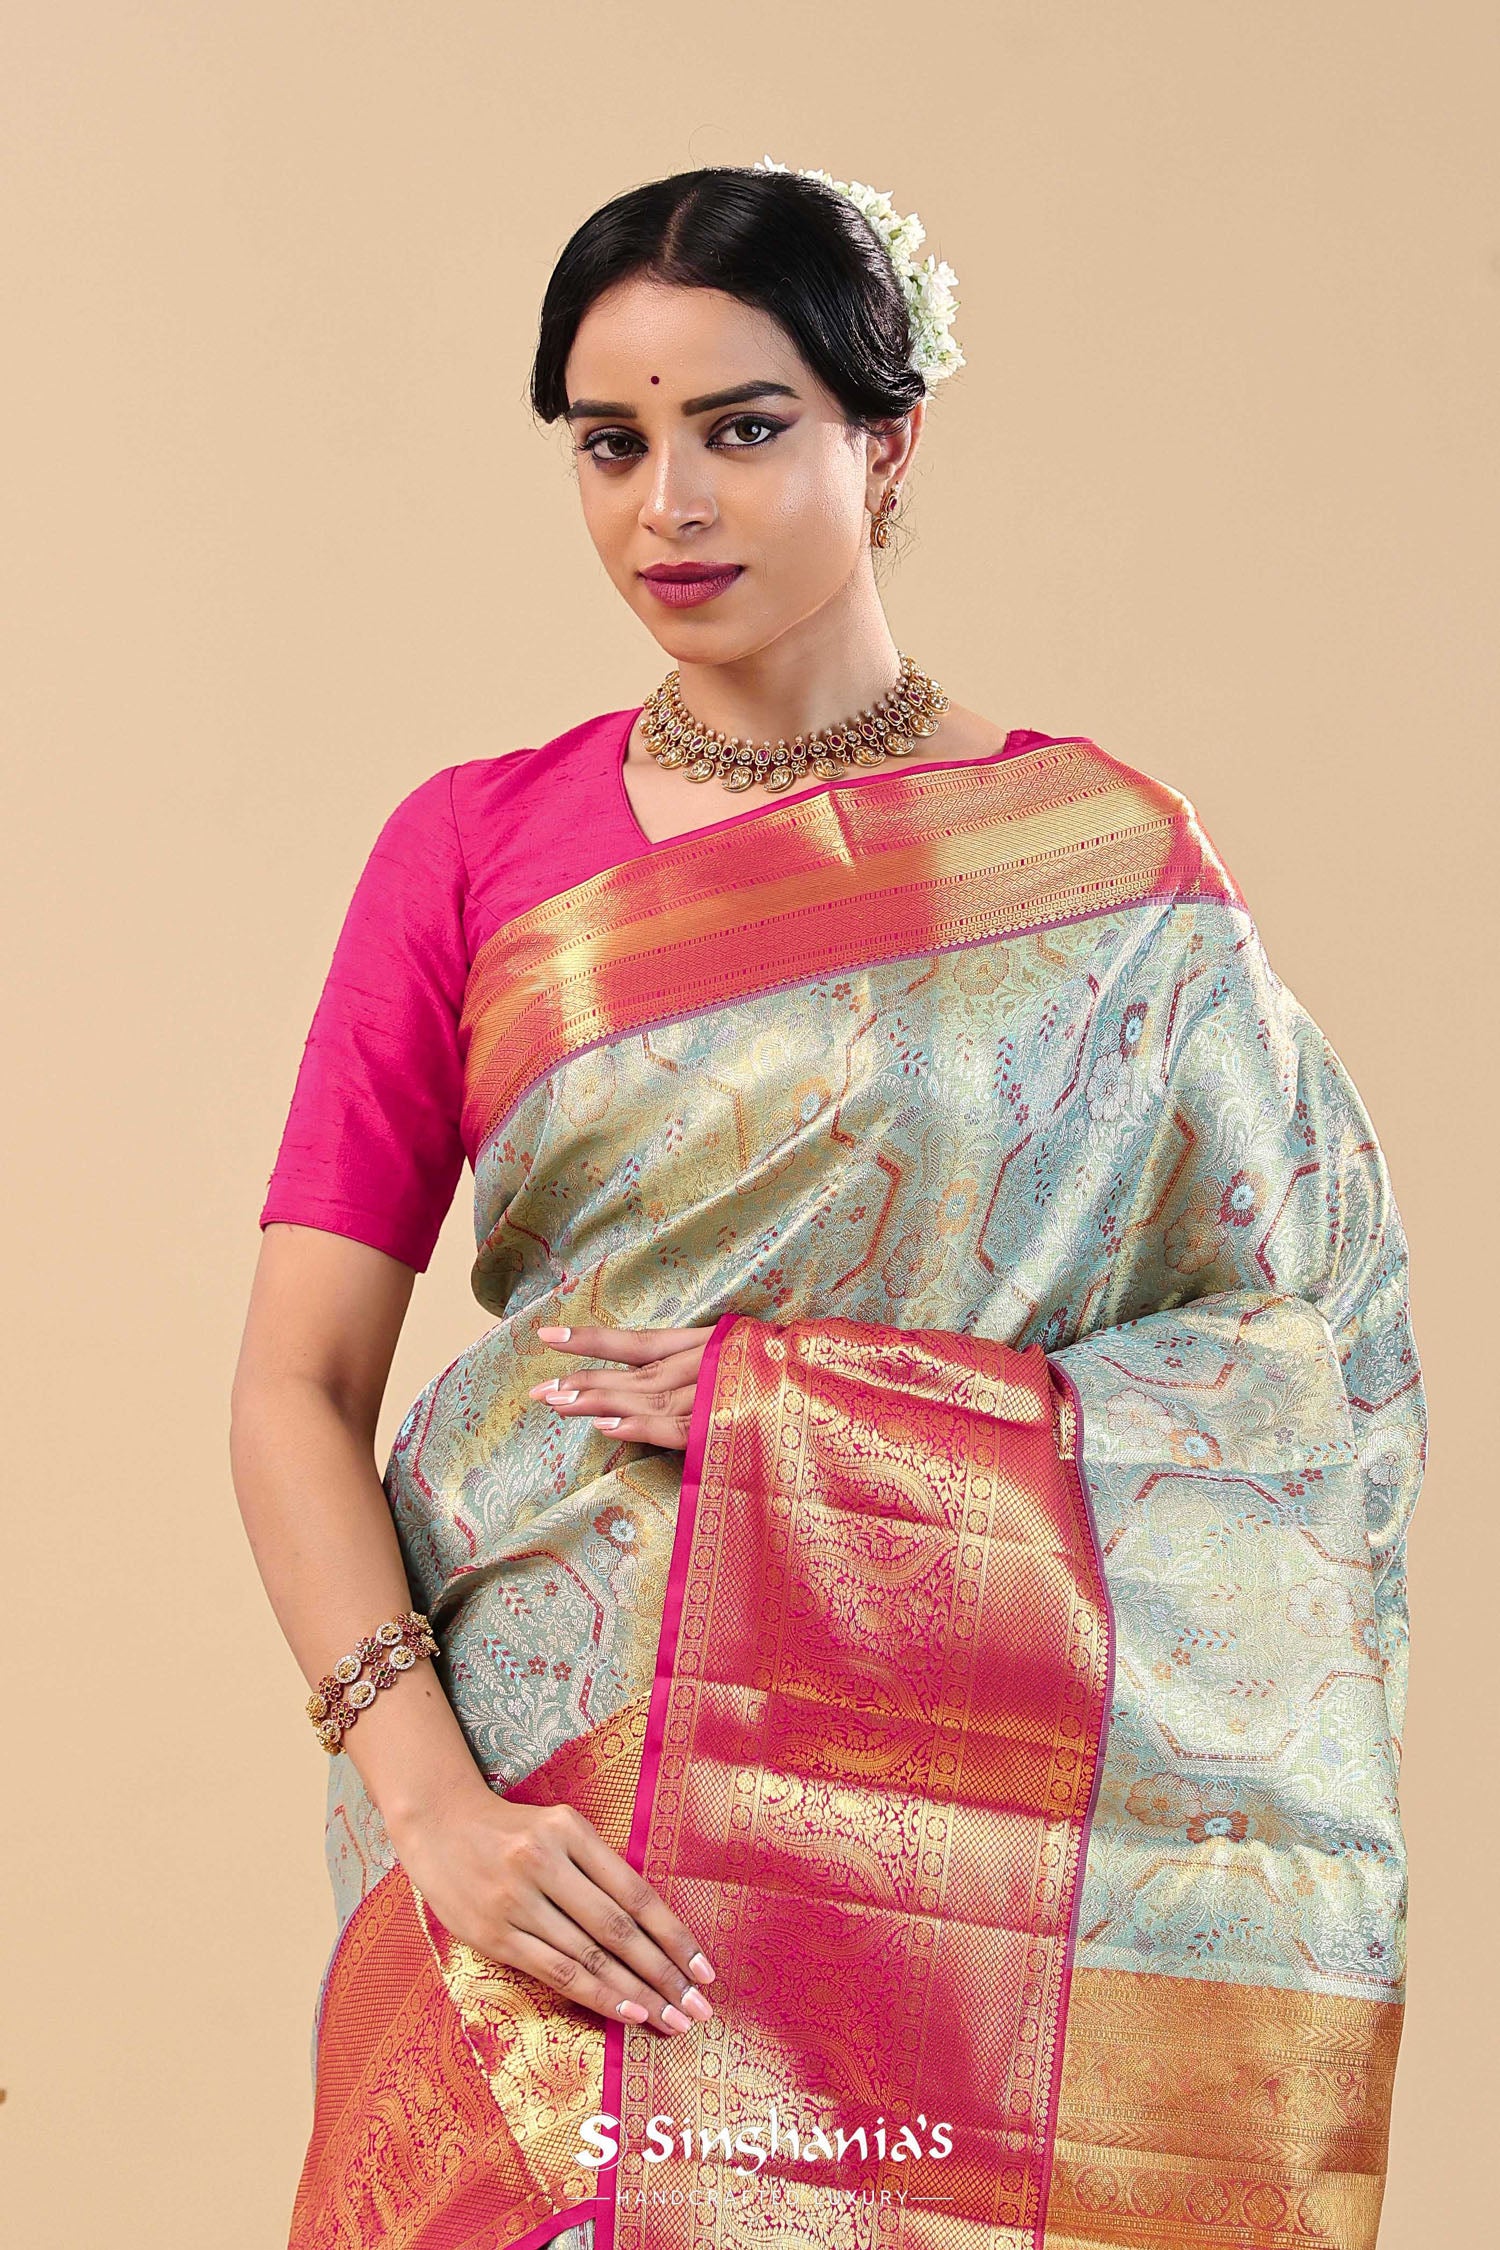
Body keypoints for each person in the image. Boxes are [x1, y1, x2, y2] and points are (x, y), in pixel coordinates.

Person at [230, 158, 1425, 2250]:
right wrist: (434, 1804)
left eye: (743, 428)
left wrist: (811, 1417)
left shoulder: (1109, 868)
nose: (667, 507)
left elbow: (1305, 1383)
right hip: (560, 1811)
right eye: (611, 444)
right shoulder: (471, 850)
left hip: (965, 1826)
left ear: (890, 440)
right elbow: (290, 1391)